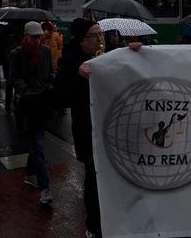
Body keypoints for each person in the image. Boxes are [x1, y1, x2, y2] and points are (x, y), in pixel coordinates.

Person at [56, 18, 141, 238]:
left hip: (112, 130)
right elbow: (61, 96)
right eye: (93, 36)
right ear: (81, 40)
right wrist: (79, 76)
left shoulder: (108, 54)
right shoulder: (70, 61)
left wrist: (137, 52)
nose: (99, 40)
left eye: (100, 35)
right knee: (95, 180)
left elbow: (127, 69)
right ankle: (95, 226)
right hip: (88, 132)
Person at [9, 21, 55, 205]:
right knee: (38, 145)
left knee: (37, 145)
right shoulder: (17, 54)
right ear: (26, 36)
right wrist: (25, 89)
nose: (37, 40)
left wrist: (50, 85)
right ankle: (45, 188)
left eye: (39, 37)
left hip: (43, 103)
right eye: (34, 37)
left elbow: (51, 72)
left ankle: (29, 173)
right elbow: (13, 77)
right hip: (28, 104)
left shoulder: (46, 51)